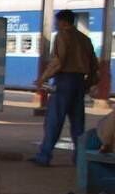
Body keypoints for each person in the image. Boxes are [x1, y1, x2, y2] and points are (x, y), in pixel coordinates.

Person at [31, 9, 100, 166]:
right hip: (79, 83)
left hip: (64, 82)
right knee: (78, 124)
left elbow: (59, 61)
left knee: (54, 121)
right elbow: (94, 65)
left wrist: (43, 78)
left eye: (57, 22)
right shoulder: (85, 39)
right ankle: (79, 159)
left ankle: (44, 156)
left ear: (62, 22)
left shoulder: (62, 36)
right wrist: (88, 84)